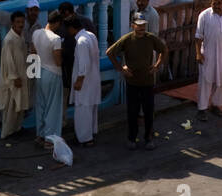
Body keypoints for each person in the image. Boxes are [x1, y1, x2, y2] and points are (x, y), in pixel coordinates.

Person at [106, 14, 168, 149]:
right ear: (132, 25)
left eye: (143, 25)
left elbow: (163, 50)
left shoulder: (150, 38)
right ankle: (132, 138)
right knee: (132, 112)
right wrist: (121, 69)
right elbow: (110, 52)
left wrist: (157, 66)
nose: (141, 28)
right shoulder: (127, 39)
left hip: (148, 82)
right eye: (138, 25)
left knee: (148, 111)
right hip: (132, 82)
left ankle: (148, 137)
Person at [31, 7, 65, 148]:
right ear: (56, 23)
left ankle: (40, 134)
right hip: (53, 73)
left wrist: (31, 73)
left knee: (41, 105)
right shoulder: (56, 39)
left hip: (39, 71)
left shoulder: (36, 33)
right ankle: (50, 139)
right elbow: (58, 61)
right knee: (53, 107)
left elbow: (32, 52)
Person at [0, 10, 32, 138]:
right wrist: (14, 77)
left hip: (22, 75)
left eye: (22, 22)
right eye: (18, 22)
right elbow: (8, 60)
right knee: (11, 106)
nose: (21, 24)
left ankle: (17, 128)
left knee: (20, 105)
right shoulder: (9, 39)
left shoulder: (20, 36)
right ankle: (7, 132)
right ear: (12, 23)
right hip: (13, 78)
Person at [68, 16, 101, 146]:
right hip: (93, 79)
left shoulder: (81, 41)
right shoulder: (90, 35)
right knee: (90, 108)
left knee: (83, 110)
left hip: (85, 81)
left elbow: (84, 64)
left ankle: (85, 138)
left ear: (72, 28)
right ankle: (90, 134)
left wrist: (79, 80)